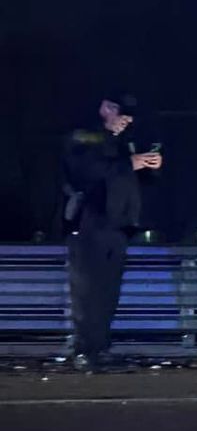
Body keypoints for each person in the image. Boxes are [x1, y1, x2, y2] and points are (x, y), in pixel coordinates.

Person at [60, 90, 162, 368]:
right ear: (106, 109)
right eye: (122, 115)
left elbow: (134, 180)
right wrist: (129, 161)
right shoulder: (85, 137)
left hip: (118, 227)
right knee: (86, 290)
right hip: (89, 222)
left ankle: (101, 347)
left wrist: (150, 166)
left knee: (108, 291)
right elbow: (89, 171)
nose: (126, 122)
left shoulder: (122, 143)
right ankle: (84, 349)